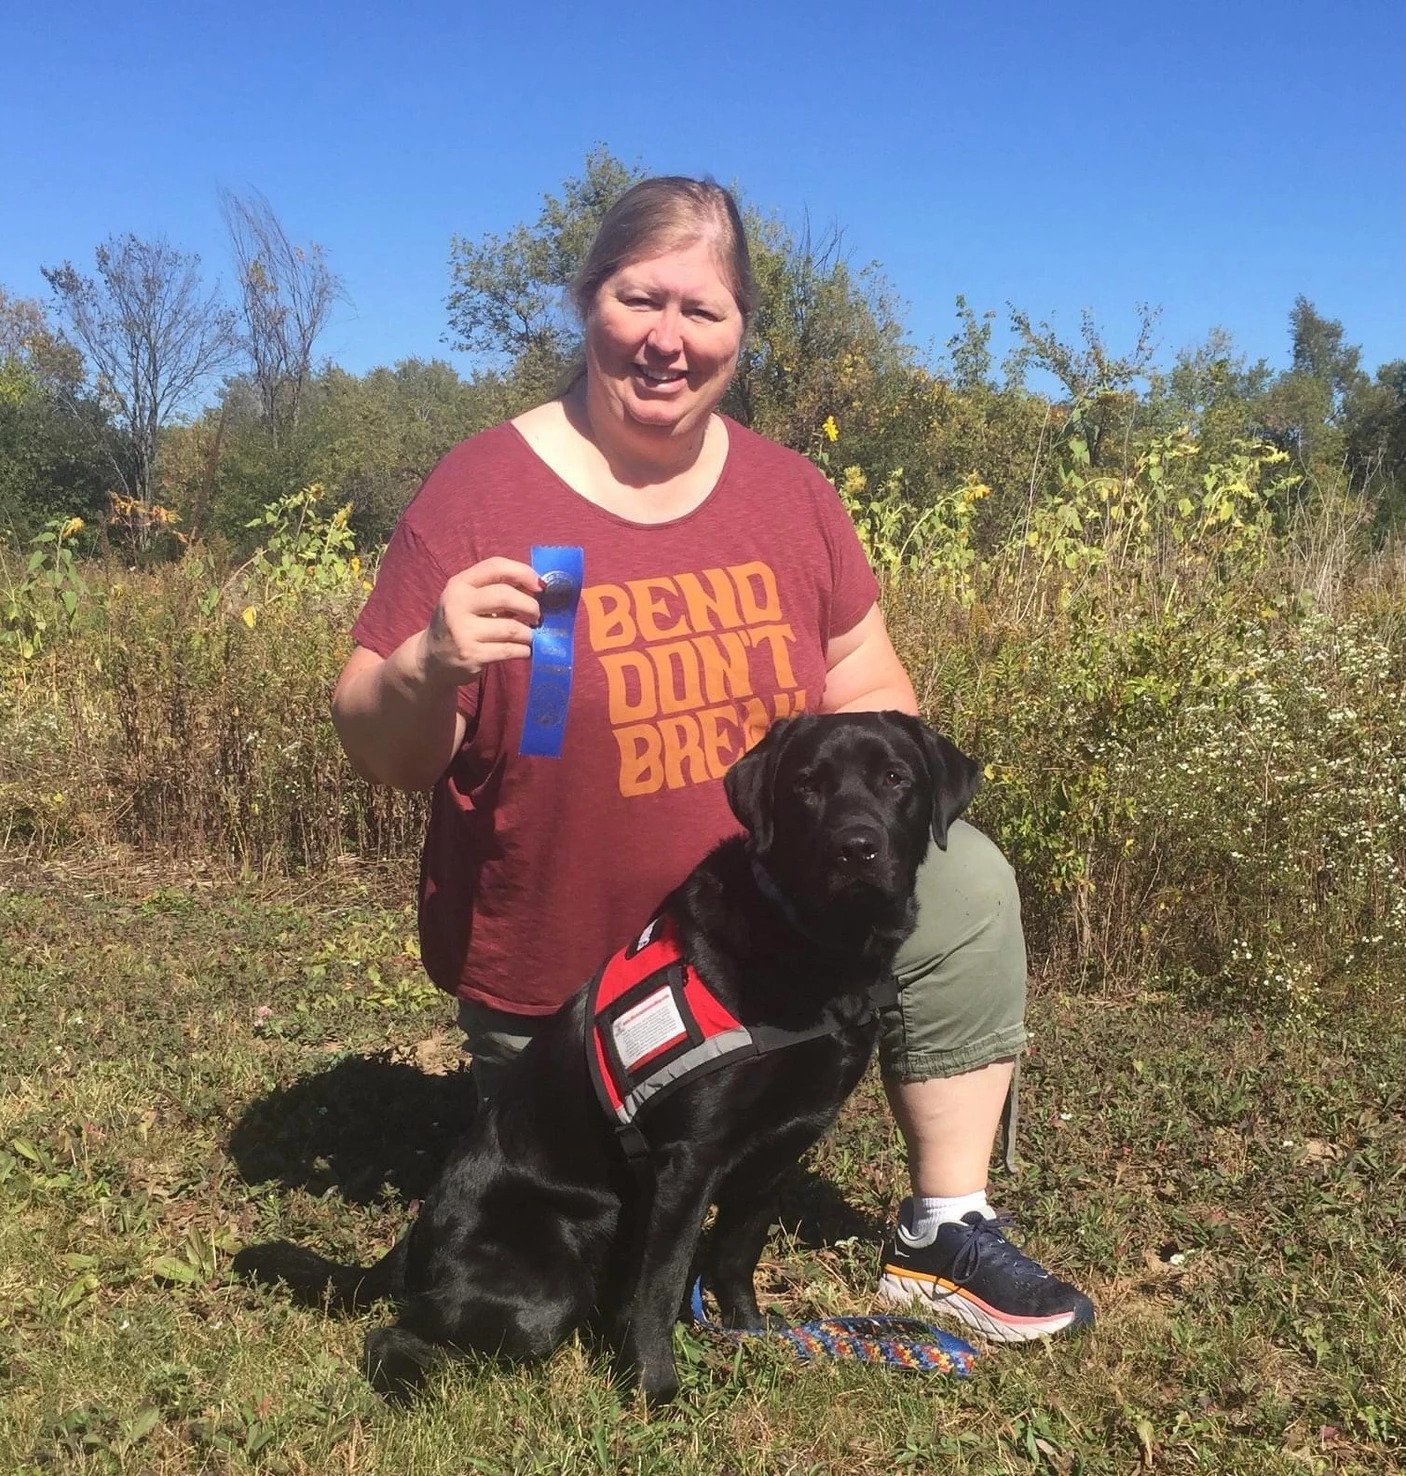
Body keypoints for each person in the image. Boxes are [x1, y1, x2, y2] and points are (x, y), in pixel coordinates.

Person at [331, 176, 1093, 1345]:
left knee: (968, 874)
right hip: (572, 1006)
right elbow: (377, 746)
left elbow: (874, 694)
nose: (667, 340)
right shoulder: (486, 488)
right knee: (575, 1249)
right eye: (641, 300)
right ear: (587, 302)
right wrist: (431, 660)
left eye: (704, 311)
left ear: (741, 330)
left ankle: (943, 1224)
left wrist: (863, 799)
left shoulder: (789, 494)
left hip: (756, 938)